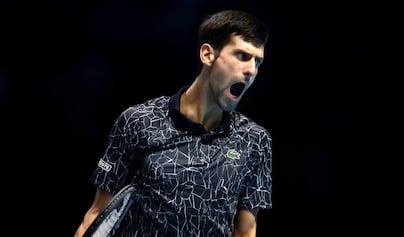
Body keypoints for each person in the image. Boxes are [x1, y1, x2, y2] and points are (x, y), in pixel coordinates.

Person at [74, 9, 272, 237]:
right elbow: (97, 216)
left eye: (258, 61)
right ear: (208, 54)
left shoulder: (255, 140)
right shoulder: (139, 121)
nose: (251, 70)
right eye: (242, 56)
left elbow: (246, 232)